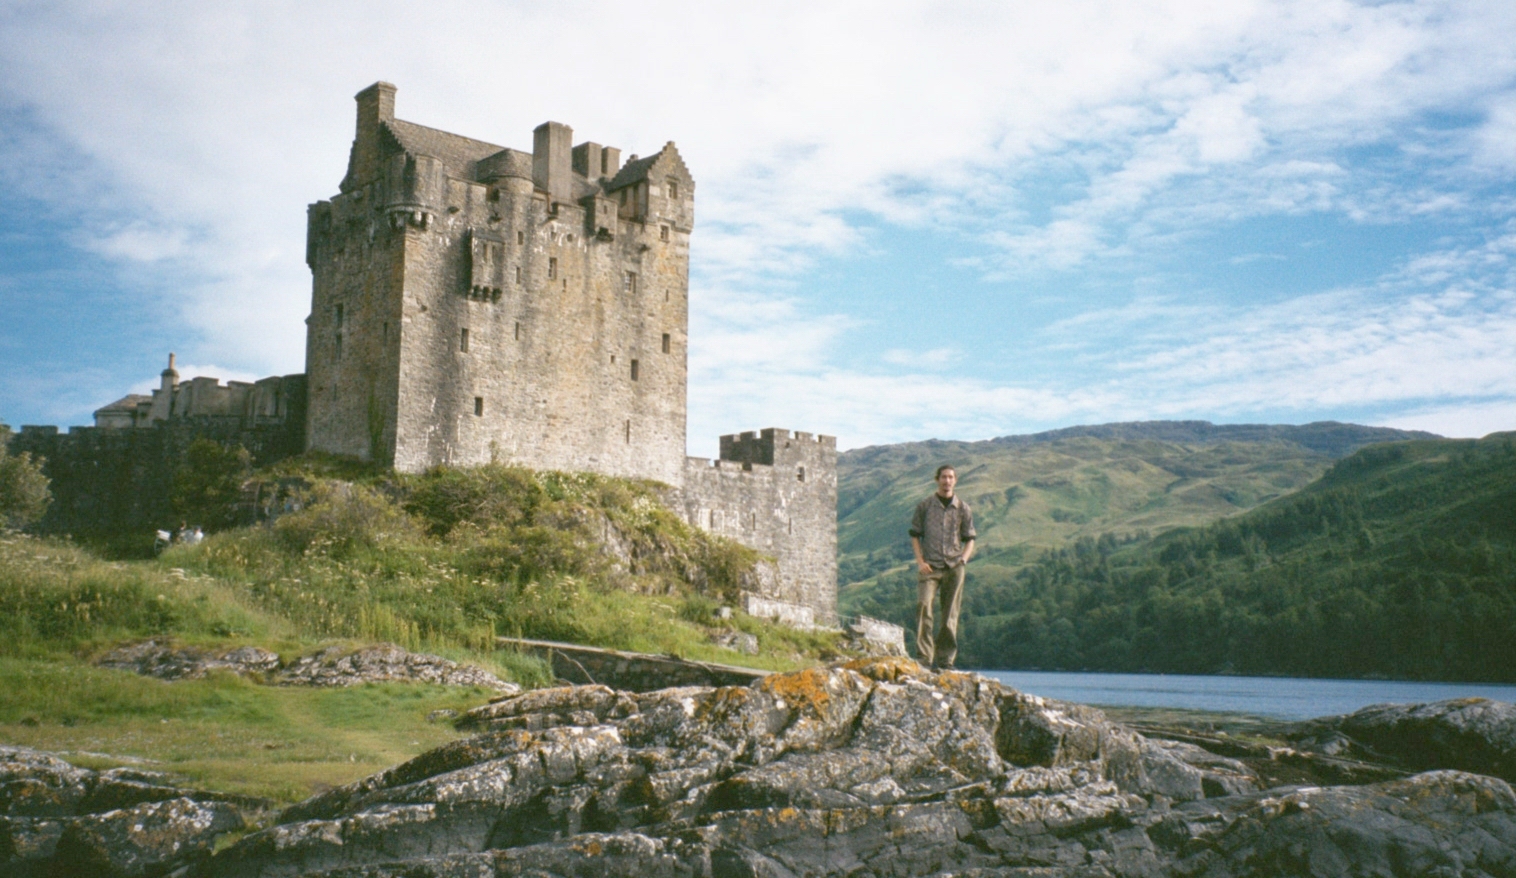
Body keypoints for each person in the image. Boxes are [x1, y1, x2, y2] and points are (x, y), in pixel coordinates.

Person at [909, 464, 976, 669]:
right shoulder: (925, 506)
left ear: (955, 481)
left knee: (950, 613)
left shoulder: (963, 508)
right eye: (944, 477)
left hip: (954, 567)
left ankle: (946, 660)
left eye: (951, 477)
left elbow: (970, 538)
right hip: (930, 567)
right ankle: (924, 658)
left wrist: (964, 559)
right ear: (937, 479)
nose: (947, 481)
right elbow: (914, 535)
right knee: (924, 606)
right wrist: (920, 562)